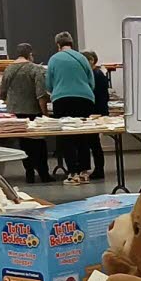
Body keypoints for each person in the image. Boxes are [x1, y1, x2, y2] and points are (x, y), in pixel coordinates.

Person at [45, 31, 96, 184]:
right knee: (83, 135)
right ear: (72, 43)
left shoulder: (54, 59)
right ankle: (84, 171)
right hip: (84, 99)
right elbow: (91, 81)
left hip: (62, 99)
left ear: (58, 44)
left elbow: (48, 84)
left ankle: (72, 172)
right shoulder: (82, 57)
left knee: (67, 136)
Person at [0, 43, 52, 183]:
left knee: (24, 144)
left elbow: (2, 93)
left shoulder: (8, 69)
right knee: (39, 144)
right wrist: (45, 113)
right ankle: (44, 174)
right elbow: (41, 95)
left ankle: (29, 173)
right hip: (33, 111)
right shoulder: (36, 69)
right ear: (30, 54)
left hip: (15, 112)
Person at [81, 50, 109, 180]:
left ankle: (98, 169)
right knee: (93, 143)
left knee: (93, 143)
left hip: (95, 112)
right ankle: (97, 169)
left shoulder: (95, 75)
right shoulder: (98, 74)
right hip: (98, 110)